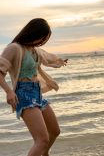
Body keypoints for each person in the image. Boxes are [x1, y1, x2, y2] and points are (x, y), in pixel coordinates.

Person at [0, 18, 68, 156]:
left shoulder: (34, 50)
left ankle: (44, 154)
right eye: (41, 38)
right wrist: (8, 92)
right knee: (42, 140)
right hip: (23, 94)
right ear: (33, 33)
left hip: (37, 93)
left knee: (55, 131)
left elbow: (47, 58)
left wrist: (59, 61)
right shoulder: (14, 48)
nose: (42, 42)